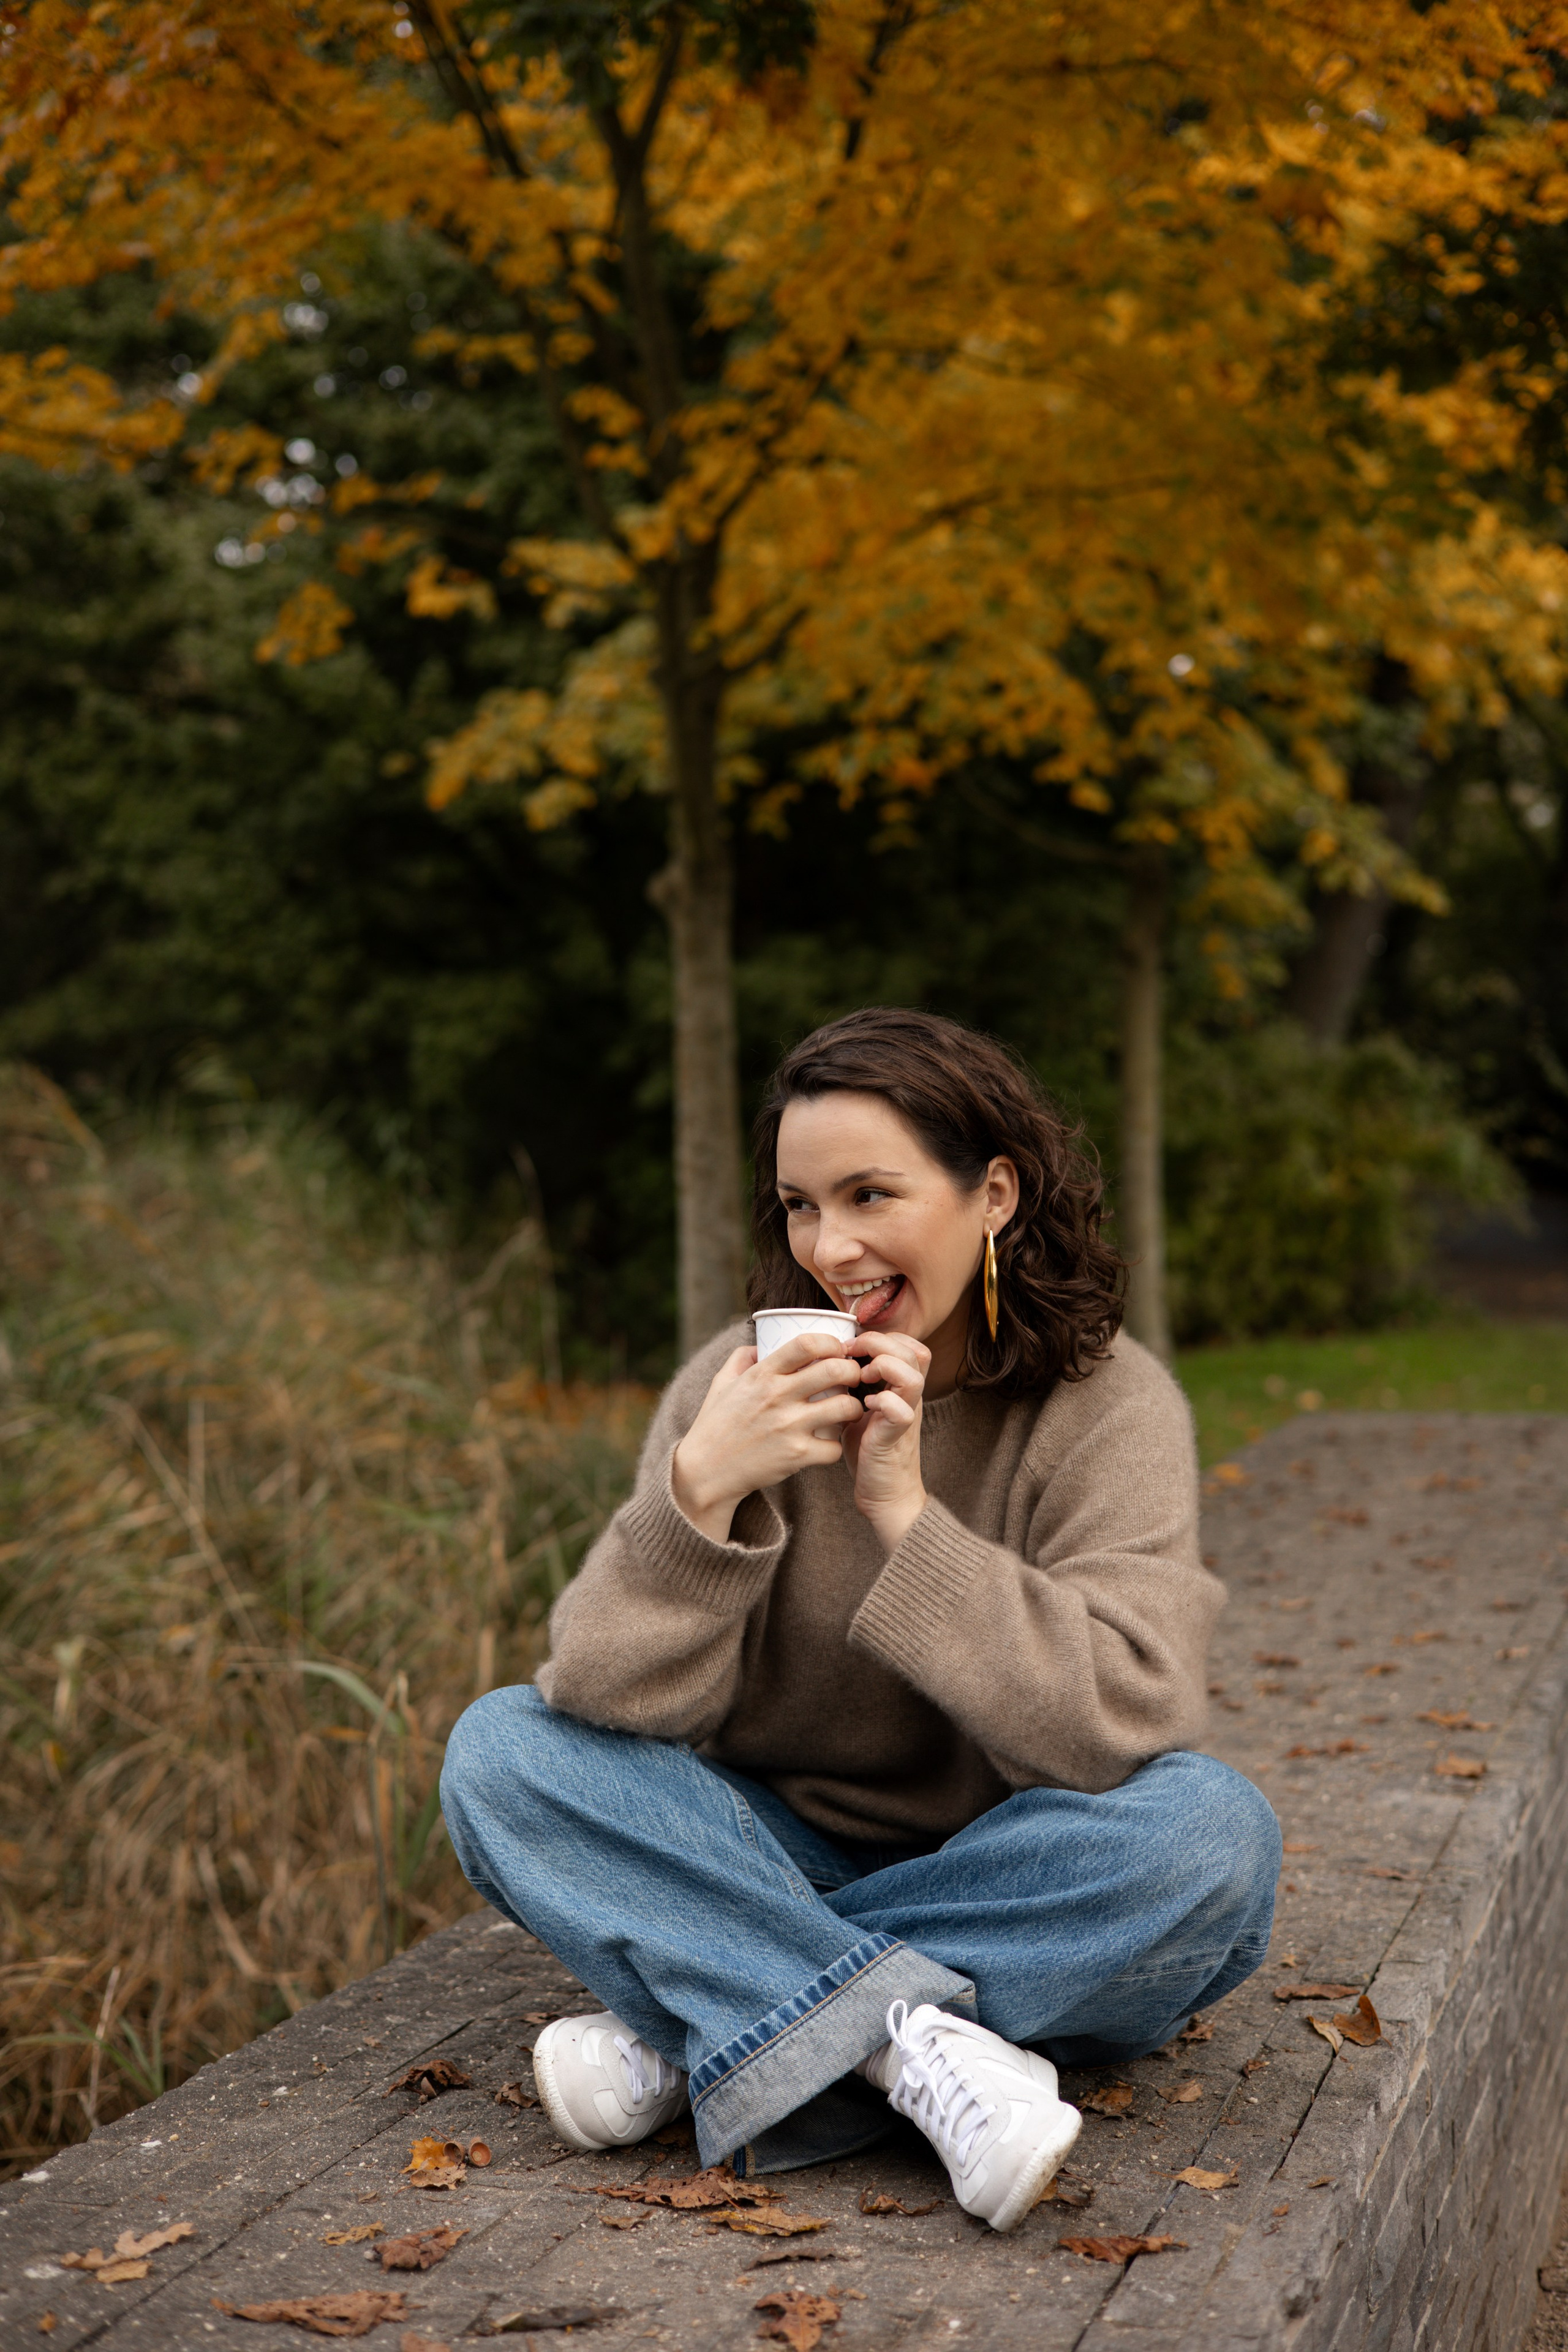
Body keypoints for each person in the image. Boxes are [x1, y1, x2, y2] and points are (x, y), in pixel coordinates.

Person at [440, 1008, 1280, 2232]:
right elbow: (611, 1706)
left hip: (1018, 1868)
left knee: (1210, 1839)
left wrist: (902, 1515)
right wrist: (698, 1496)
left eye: (869, 1195)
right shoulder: (731, 1394)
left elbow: (1117, 1725)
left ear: (991, 1194)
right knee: (501, 1750)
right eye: (796, 1204)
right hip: (763, 1851)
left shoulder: (1106, 1408)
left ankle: (713, 2022)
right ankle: (904, 2041)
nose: (828, 1245)